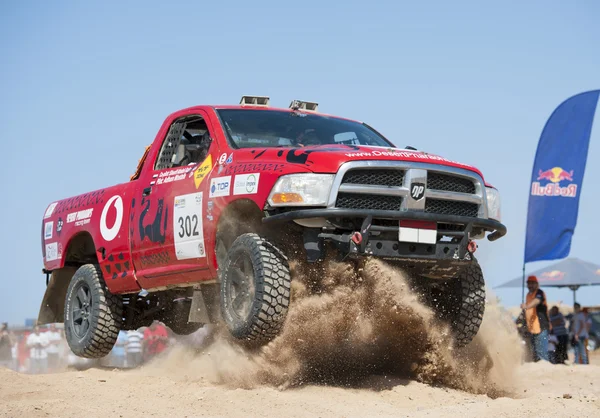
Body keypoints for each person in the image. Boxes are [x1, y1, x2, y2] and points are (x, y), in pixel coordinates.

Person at [520, 275, 550, 362]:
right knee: (535, 353)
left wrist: (526, 306)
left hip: (541, 327)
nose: (530, 285)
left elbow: (536, 301)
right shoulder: (528, 295)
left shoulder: (539, 292)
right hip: (532, 328)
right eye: (529, 283)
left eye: (532, 283)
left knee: (542, 353)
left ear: (537, 284)